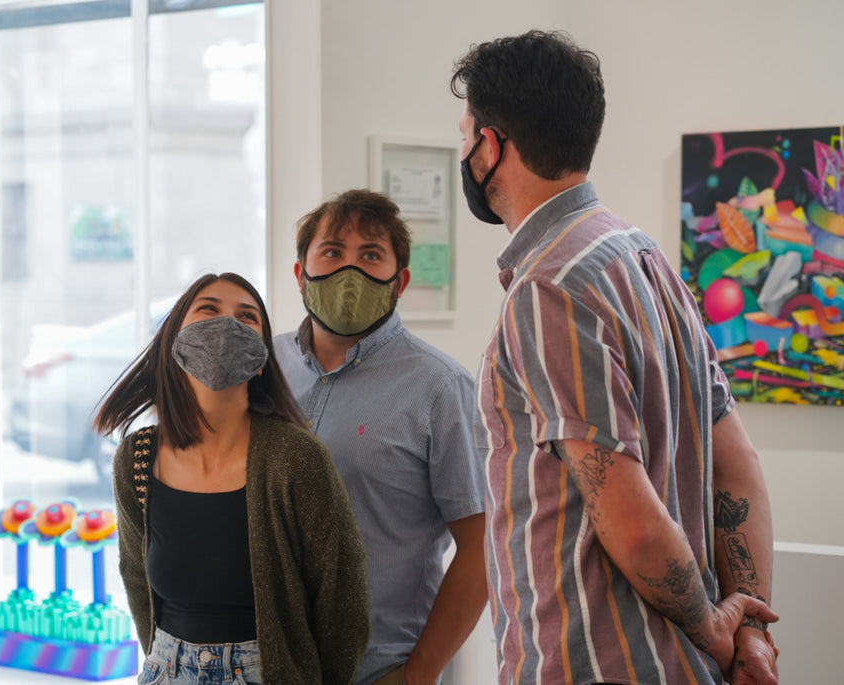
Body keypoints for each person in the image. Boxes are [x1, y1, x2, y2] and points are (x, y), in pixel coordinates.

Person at [451, 30, 778, 684]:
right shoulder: (646, 259)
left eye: (464, 136)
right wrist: (752, 631)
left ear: (489, 146)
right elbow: (736, 461)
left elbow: (629, 522)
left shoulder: (548, 290)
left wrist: (716, 627)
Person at [95, 272, 369, 684]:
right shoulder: (136, 456)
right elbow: (136, 577)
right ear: (174, 341)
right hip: (166, 669)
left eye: (247, 317)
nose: (226, 325)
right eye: (208, 310)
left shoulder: (296, 457)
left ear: (261, 358)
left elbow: (341, 599)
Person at [273, 189, 487, 685]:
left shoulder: (440, 386)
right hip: (270, 663)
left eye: (370, 255)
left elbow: (481, 551)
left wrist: (419, 675)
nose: (350, 271)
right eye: (332, 252)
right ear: (300, 272)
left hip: (379, 669)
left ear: (399, 281)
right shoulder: (265, 366)